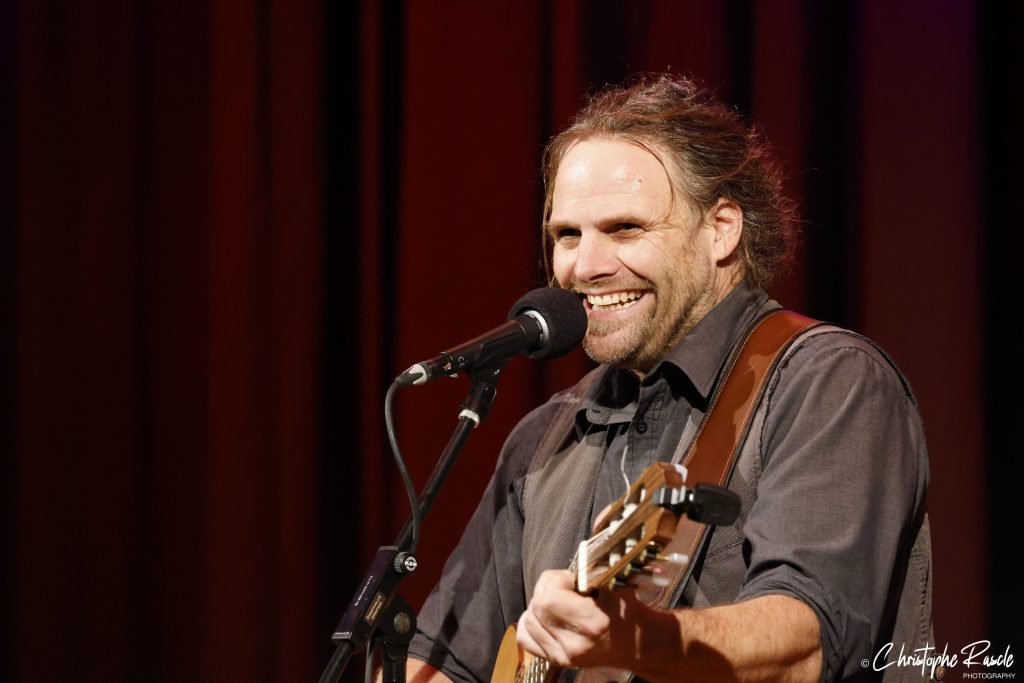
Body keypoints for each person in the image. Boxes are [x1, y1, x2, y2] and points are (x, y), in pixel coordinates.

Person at [403, 74, 932, 682]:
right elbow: (441, 661)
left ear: (721, 229)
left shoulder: (828, 382)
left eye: (625, 228)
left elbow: (805, 644)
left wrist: (633, 639)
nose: (585, 267)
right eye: (567, 235)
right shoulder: (542, 439)